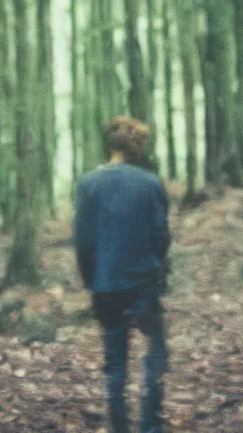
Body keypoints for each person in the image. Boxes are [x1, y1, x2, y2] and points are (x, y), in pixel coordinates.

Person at [74, 116, 171, 433]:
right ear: (137, 147)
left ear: (109, 144)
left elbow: (84, 241)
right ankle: (151, 425)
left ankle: (119, 428)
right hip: (143, 282)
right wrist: (156, 267)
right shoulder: (151, 184)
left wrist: (93, 280)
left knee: (115, 363)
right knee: (156, 350)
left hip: (107, 284)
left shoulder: (89, 184)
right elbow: (160, 236)